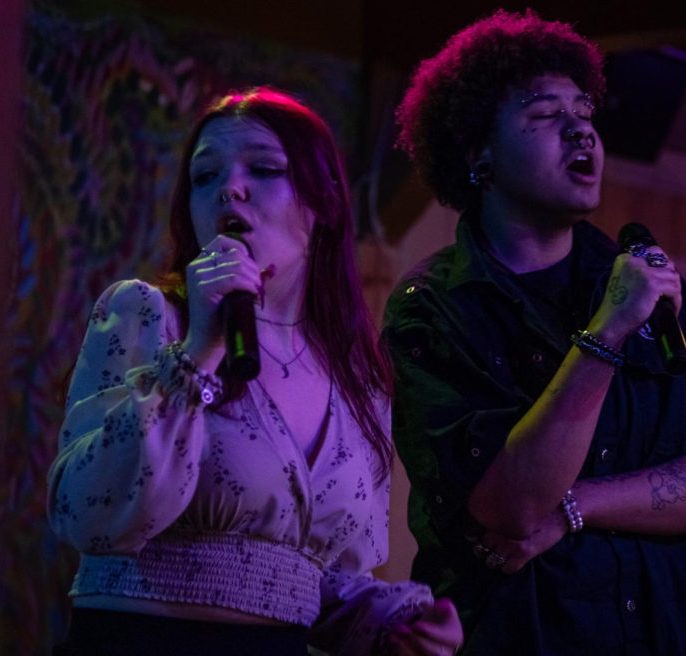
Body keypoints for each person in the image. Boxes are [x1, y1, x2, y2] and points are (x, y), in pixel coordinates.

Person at [47, 88, 463, 655]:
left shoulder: (358, 381)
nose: (229, 188)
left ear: (325, 202)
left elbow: (308, 580)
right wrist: (198, 351)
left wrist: (389, 619)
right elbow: (90, 513)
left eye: (264, 169)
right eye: (203, 177)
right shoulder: (146, 316)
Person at [382, 10, 686, 654]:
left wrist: (576, 508)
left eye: (585, 110)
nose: (581, 128)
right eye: (547, 115)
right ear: (478, 152)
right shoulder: (431, 308)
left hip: (667, 633)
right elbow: (512, 510)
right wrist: (607, 331)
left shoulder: (642, 279)